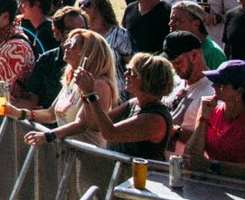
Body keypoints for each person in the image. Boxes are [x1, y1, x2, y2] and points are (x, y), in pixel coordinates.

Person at [29, 51, 176, 158]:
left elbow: (110, 133)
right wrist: (86, 95)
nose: (125, 74)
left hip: (143, 186)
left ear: (147, 79)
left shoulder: (154, 118)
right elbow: (96, 125)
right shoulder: (133, 103)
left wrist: (92, 95)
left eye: (132, 72)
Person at [15, 28, 118, 146]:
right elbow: (51, 114)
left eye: (73, 44)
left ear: (89, 52)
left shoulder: (99, 84)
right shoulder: (72, 79)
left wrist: (48, 136)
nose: (66, 46)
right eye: (67, 42)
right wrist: (20, 113)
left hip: (88, 157)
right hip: (67, 152)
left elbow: (81, 124)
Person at [186, 59, 245, 179]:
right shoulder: (209, 109)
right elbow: (190, 158)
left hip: (242, 187)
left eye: (221, 83)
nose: (213, 86)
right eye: (214, 81)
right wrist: (203, 120)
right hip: (210, 184)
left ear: (240, 91)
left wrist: (212, 166)